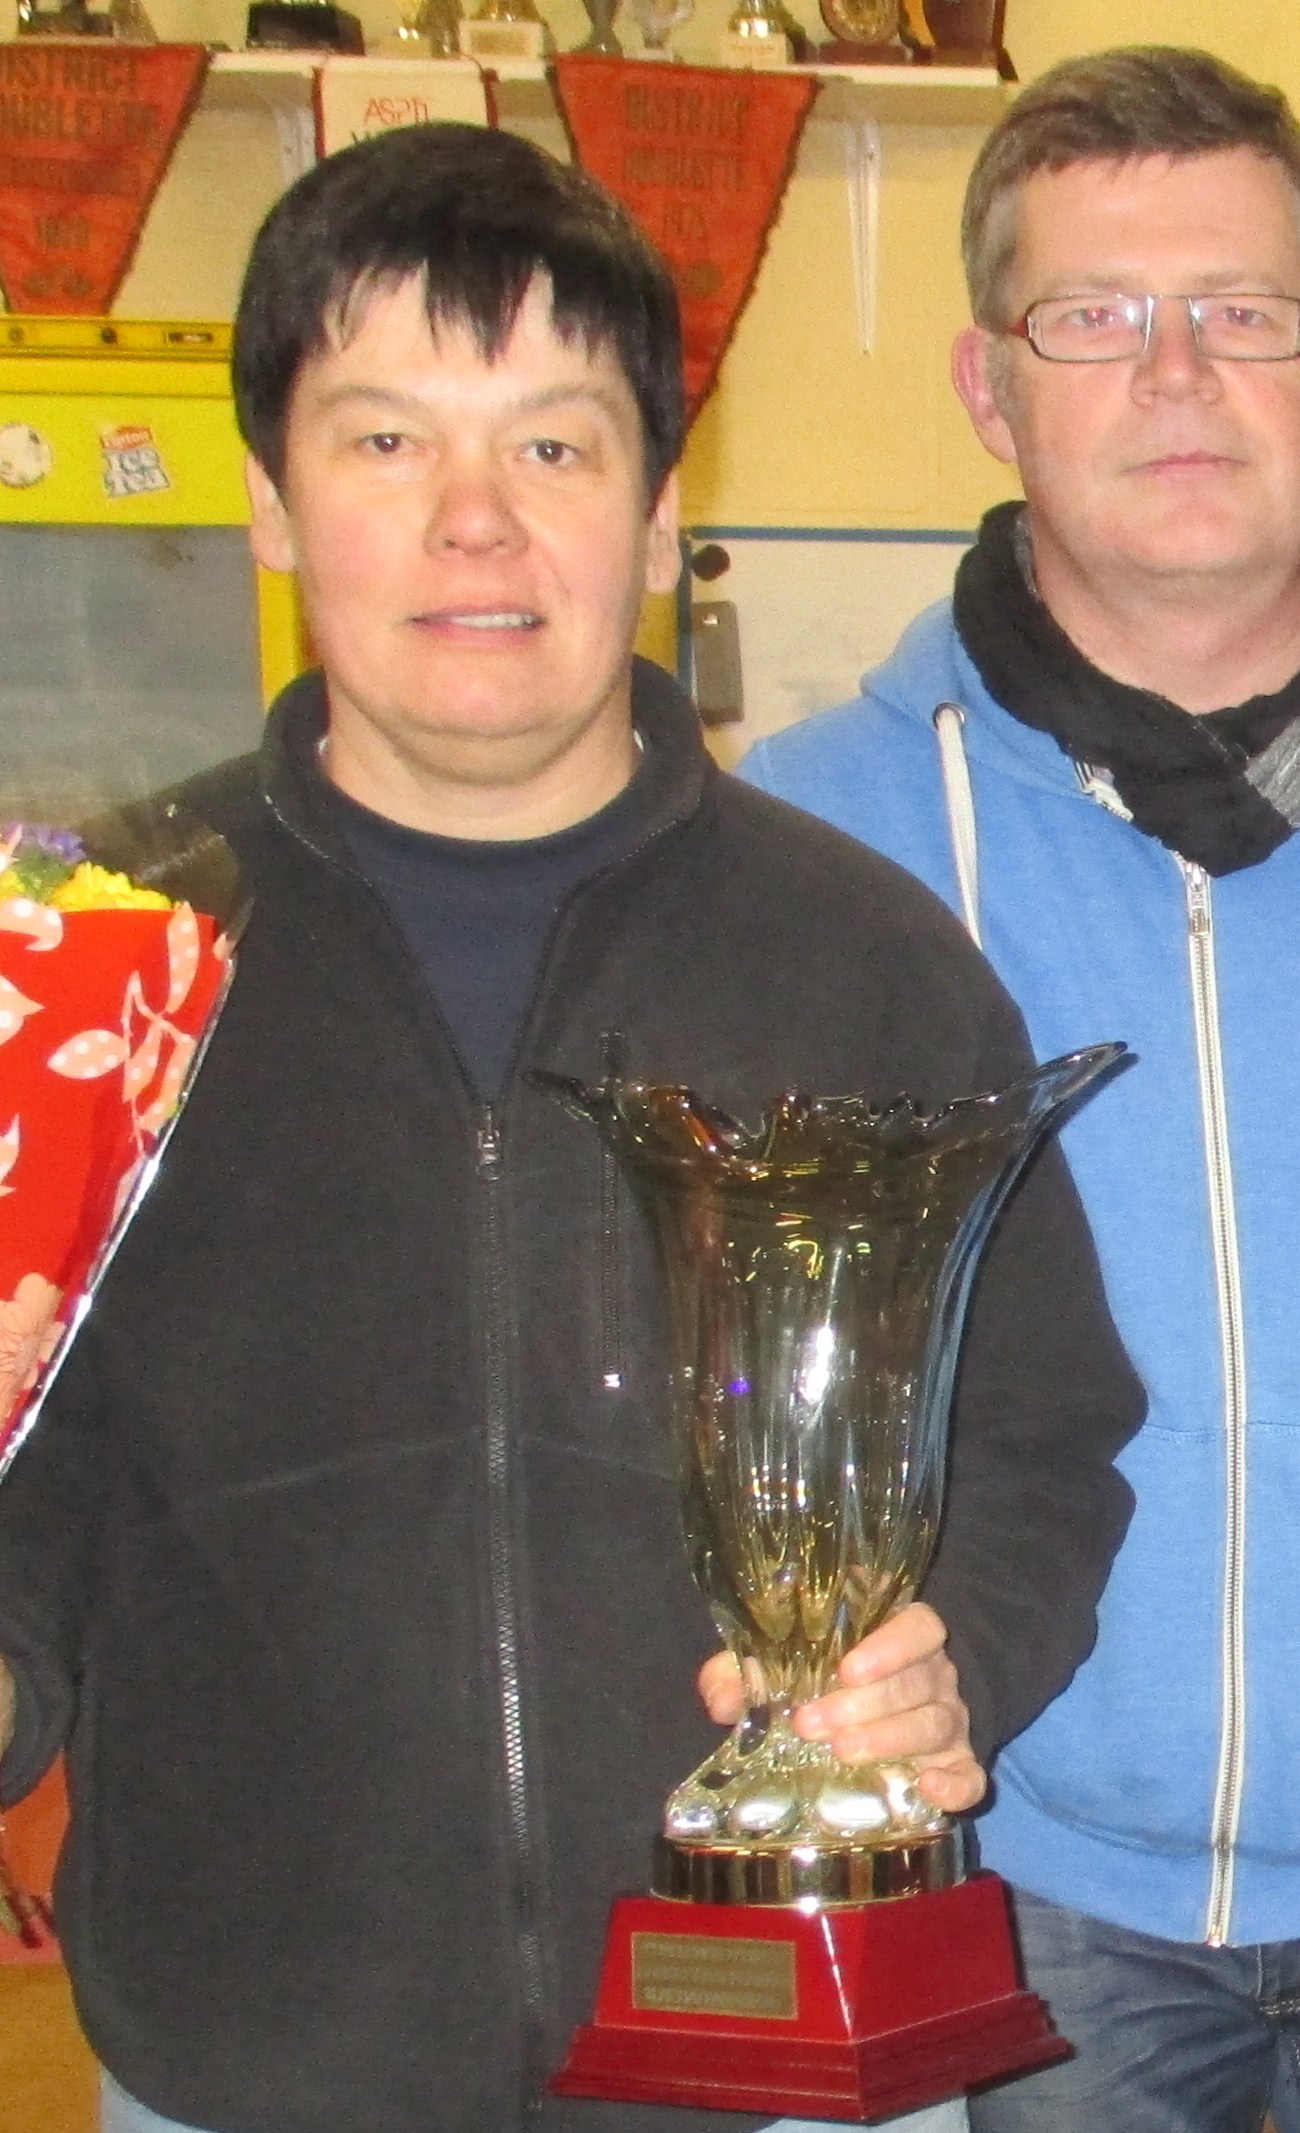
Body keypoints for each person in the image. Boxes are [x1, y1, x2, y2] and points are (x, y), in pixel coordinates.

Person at [0, 125, 1143, 2133]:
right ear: (269, 499)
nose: (474, 527)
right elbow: (38, 1504)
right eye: (381, 444)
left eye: (550, 445)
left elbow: (1040, 1432)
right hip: (251, 2075)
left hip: (783, 2061)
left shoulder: (861, 956)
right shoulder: (98, 978)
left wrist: (954, 1655)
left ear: (659, 504)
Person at [741, 49, 1300, 2133]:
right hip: (1022, 1871)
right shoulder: (808, 842)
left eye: (1239, 315)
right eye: (1094, 316)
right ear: (992, 391)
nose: (1174, 375)